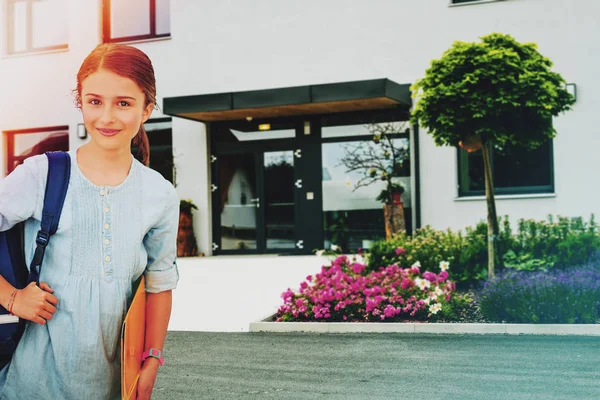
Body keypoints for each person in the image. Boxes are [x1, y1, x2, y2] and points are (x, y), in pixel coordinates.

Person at [0, 43, 179, 399]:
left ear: (147, 109)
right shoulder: (41, 175)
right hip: (31, 382)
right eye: (95, 101)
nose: (107, 117)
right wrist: (11, 298)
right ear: (81, 102)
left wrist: (152, 360)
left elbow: (159, 283)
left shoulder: (159, 194)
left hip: (114, 385)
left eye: (124, 103)